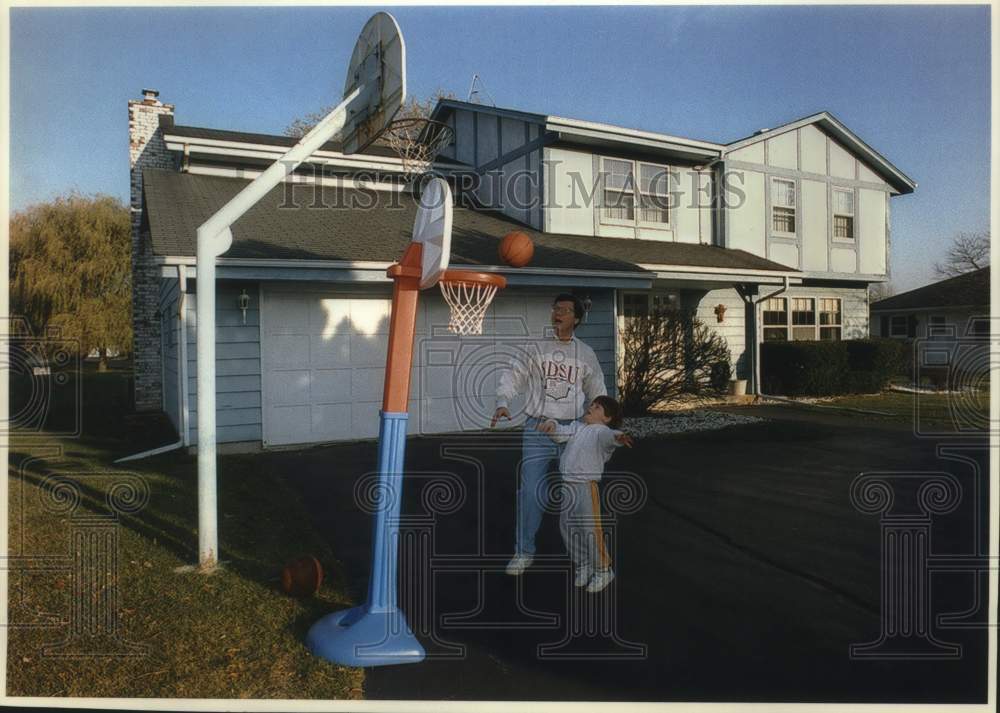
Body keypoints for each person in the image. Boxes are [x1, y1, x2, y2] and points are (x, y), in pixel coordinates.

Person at [491, 293, 607, 576]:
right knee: (531, 493)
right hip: (538, 429)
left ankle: (585, 560)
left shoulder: (586, 354)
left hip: (572, 431)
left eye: (565, 310)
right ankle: (524, 552)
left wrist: (602, 428)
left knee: (577, 499)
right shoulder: (535, 347)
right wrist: (503, 402)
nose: (558, 313)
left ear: (576, 319)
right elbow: (513, 376)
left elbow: (599, 393)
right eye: (556, 308)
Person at [538, 395, 633, 593]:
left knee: (590, 530)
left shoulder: (602, 432)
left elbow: (609, 438)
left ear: (606, 418)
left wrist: (618, 437)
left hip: (585, 487)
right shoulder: (577, 427)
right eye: (592, 405)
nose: (591, 407)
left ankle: (603, 570)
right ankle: (583, 564)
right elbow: (560, 433)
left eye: (597, 407)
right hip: (568, 486)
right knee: (568, 528)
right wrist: (551, 425)